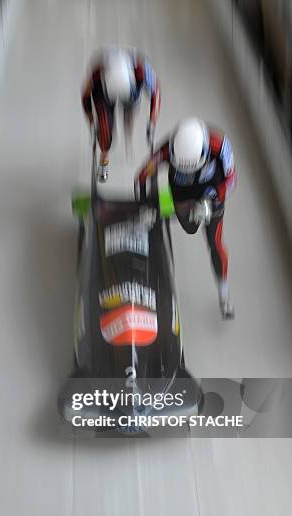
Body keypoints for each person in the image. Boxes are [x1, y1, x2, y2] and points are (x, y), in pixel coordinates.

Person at [135, 117, 236, 319]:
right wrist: (144, 205)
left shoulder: (219, 145)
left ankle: (224, 295)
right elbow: (142, 177)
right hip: (182, 191)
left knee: (215, 244)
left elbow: (231, 179)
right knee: (189, 227)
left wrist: (211, 201)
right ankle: (163, 208)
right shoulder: (165, 150)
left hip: (210, 192)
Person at [82, 47, 161, 182]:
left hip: (130, 95)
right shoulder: (96, 75)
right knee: (105, 131)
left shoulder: (142, 71)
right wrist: (91, 121)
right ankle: (104, 158)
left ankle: (128, 134)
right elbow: (85, 97)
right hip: (103, 95)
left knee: (129, 117)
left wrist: (152, 118)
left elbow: (156, 93)